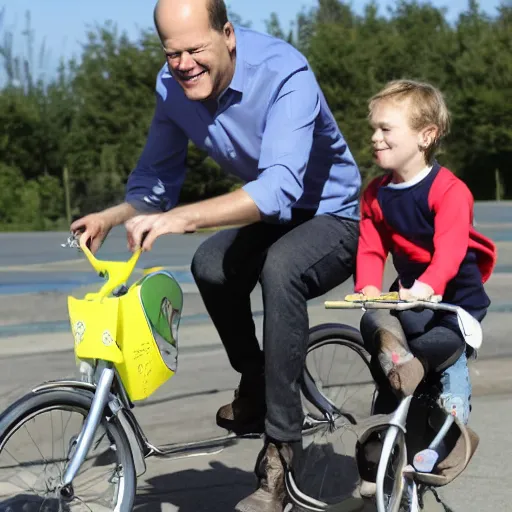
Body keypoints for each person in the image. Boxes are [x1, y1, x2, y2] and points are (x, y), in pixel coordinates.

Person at [71, 0, 361, 509]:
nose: (182, 64)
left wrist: (182, 218)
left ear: (227, 33)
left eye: (194, 49)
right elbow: (156, 183)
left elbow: (277, 189)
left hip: (334, 215)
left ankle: (281, 449)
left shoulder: (284, 72)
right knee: (209, 264)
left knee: (281, 268)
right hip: (275, 216)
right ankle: (256, 377)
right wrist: (111, 216)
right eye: (171, 53)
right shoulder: (172, 87)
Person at [354, 79, 496, 495]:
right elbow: (371, 246)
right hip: (412, 295)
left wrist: (429, 287)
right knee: (375, 326)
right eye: (373, 128)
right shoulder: (376, 194)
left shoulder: (449, 190)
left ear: (425, 136)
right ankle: (389, 416)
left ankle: (443, 429)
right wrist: (366, 287)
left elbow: (451, 251)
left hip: (454, 299)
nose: (374, 137)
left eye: (385, 129)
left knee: (441, 346)